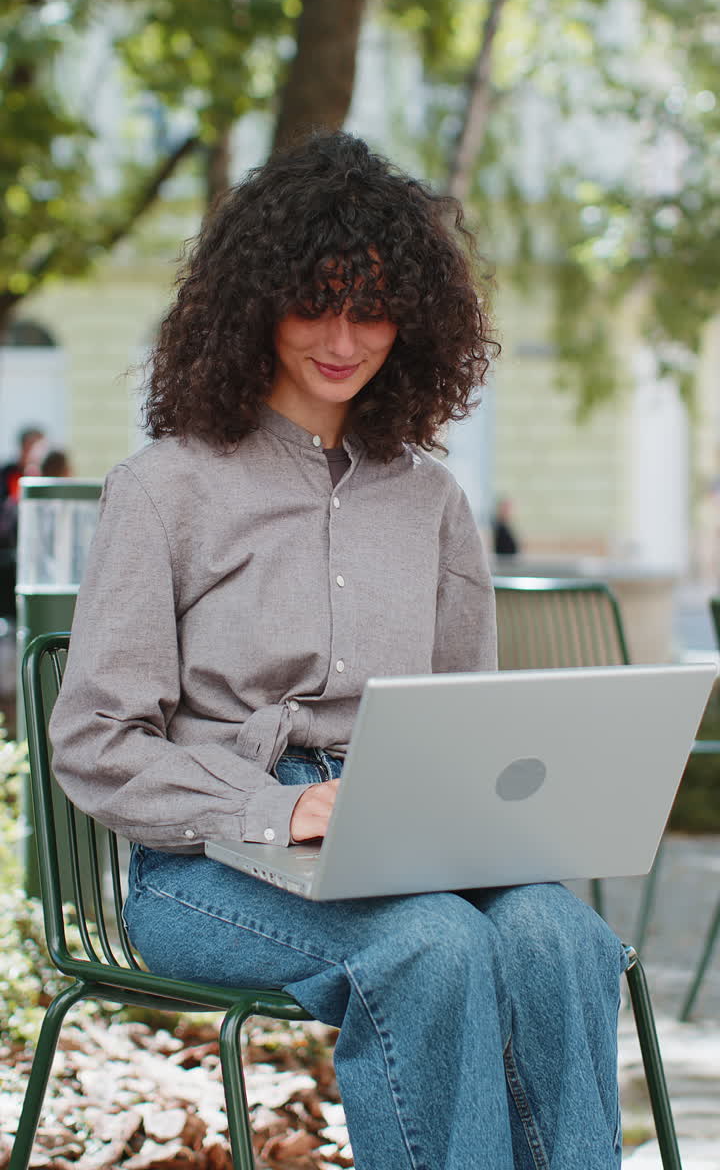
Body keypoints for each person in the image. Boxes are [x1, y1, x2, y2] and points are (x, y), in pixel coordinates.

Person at [50, 132, 626, 1170]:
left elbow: (467, 721)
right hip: (207, 861)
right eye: (315, 301)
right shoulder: (166, 488)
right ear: (256, 304)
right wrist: (283, 806)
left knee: (558, 934)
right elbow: (97, 741)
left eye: (371, 306)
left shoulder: (431, 500)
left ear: (412, 318)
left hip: (407, 832)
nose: (343, 336)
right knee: (434, 948)